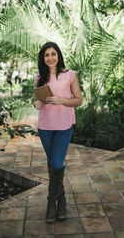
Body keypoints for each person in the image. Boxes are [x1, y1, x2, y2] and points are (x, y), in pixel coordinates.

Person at [34, 41, 82, 223]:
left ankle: (51, 202)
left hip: (64, 126)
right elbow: (36, 100)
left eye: (53, 54)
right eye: (46, 55)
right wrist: (36, 103)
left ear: (58, 55)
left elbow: (79, 100)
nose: (50, 58)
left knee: (56, 162)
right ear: (43, 58)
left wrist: (61, 100)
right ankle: (61, 199)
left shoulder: (70, 75)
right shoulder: (39, 77)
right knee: (53, 164)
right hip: (45, 126)